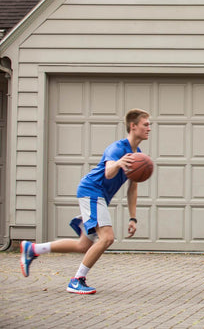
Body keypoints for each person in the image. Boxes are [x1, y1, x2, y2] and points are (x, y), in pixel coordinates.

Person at [20, 108, 152, 294]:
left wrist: (133, 218)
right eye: (145, 124)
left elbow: (133, 187)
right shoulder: (117, 148)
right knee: (107, 238)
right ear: (133, 126)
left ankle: (33, 248)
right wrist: (118, 163)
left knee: (83, 245)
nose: (149, 128)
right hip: (92, 191)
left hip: (98, 196)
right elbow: (108, 172)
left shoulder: (137, 152)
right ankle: (77, 280)